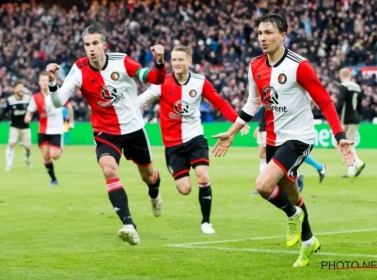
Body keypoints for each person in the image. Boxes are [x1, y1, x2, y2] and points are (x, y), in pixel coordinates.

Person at [211, 13, 355, 267]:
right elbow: (253, 102)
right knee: (294, 193)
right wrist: (232, 132)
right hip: (274, 138)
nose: (262, 38)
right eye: (259, 33)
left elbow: (324, 101)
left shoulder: (299, 65)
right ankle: (309, 241)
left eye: (268, 33)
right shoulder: (255, 65)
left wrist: (340, 136)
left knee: (264, 186)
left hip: (299, 138)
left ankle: (292, 215)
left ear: (283, 35)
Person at [46, 25, 166, 246]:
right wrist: (53, 82)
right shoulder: (79, 69)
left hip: (133, 129)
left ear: (104, 45)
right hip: (104, 132)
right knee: (109, 170)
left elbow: (154, 78)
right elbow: (57, 101)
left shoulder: (123, 61)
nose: (91, 49)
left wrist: (159, 61)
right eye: (86, 45)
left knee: (148, 176)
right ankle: (129, 225)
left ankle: (154, 193)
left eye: (94, 44)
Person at [138, 45, 248, 234]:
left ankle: (206, 222)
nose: (177, 63)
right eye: (174, 60)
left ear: (189, 61)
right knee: (185, 189)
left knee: (203, 176)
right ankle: (155, 192)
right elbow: (139, 102)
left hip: (195, 137)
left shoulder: (200, 82)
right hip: (172, 144)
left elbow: (219, 102)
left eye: (181, 59)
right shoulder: (161, 82)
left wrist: (238, 122)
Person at [24, 72, 74, 186]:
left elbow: (69, 106)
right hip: (43, 130)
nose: (44, 82)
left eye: (46, 80)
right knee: (46, 155)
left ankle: (59, 147)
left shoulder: (56, 94)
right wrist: (28, 117)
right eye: (42, 80)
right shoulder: (35, 97)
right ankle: (53, 179)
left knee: (55, 156)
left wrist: (71, 121)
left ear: (50, 81)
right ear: (39, 82)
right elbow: (30, 111)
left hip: (56, 130)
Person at [336, 67, 366, 178]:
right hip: (355, 118)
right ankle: (351, 171)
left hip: (345, 118)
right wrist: (358, 117)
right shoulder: (358, 87)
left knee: (341, 144)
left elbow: (341, 101)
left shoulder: (344, 86)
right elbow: (359, 106)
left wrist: (334, 114)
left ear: (341, 76)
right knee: (349, 144)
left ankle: (358, 162)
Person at [0, 80, 32, 171]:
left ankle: (26, 158)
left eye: (22, 88)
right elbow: (4, 112)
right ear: (14, 90)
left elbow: (33, 110)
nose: (21, 89)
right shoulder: (10, 100)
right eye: (19, 88)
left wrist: (33, 117)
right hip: (14, 126)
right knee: (11, 144)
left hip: (25, 127)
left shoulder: (28, 98)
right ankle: (8, 165)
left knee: (28, 147)